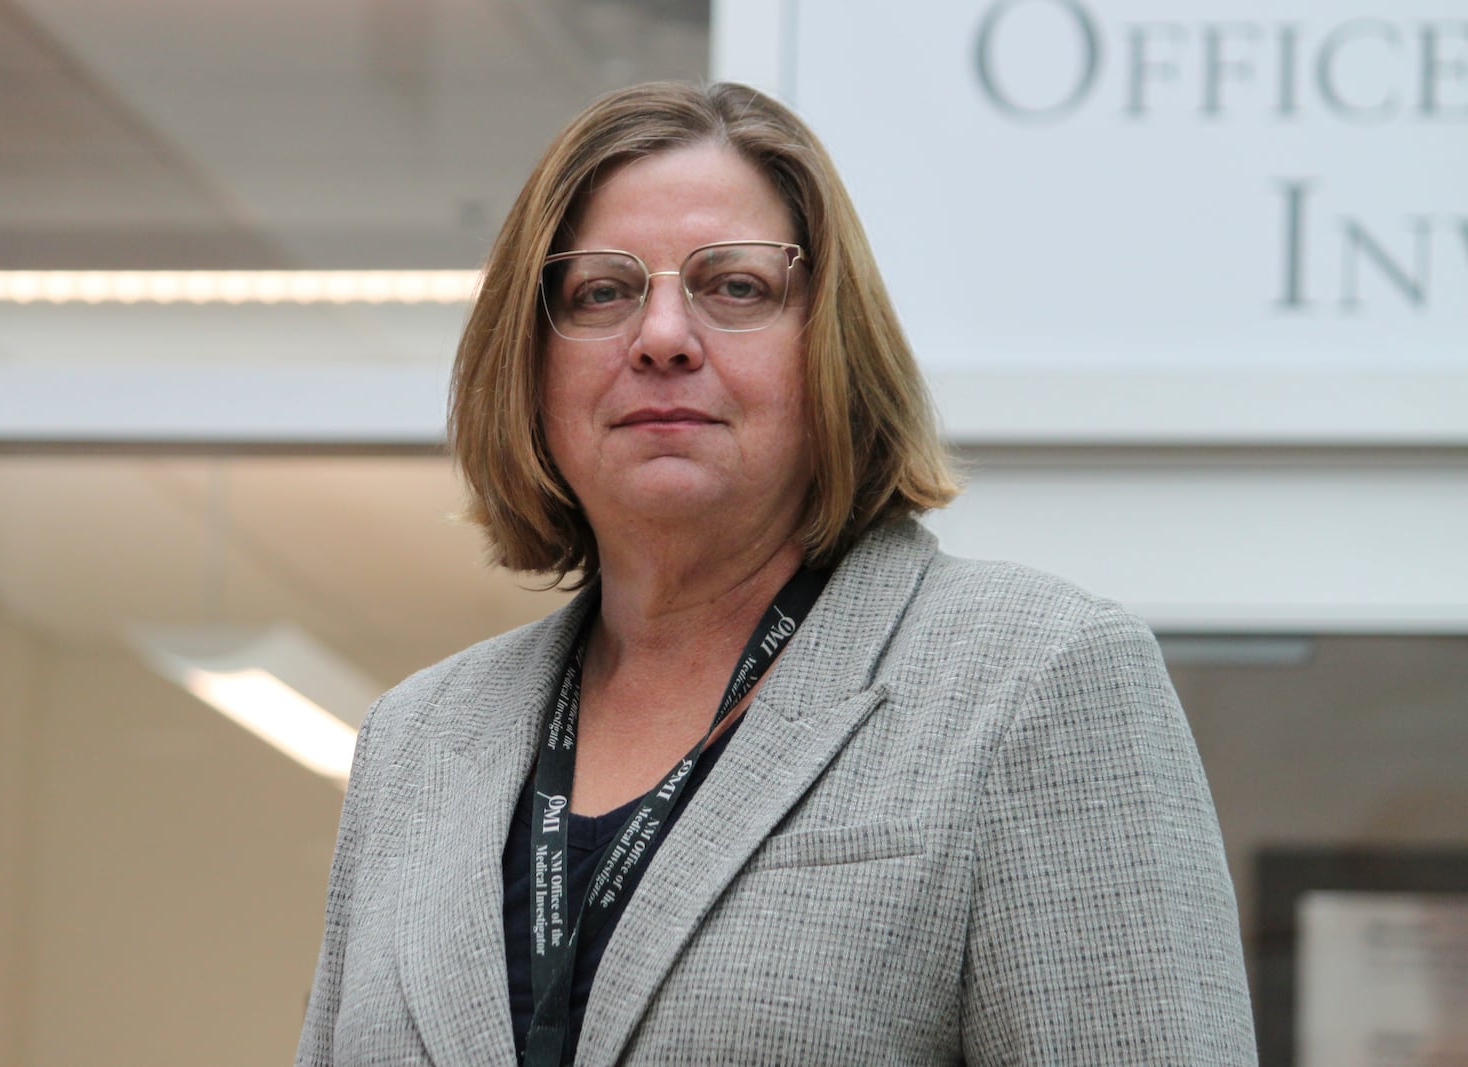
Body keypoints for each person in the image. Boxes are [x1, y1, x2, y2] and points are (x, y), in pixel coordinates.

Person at [295, 81, 1257, 1066]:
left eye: (735, 287)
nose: (662, 335)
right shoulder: (418, 739)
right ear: (530, 362)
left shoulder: (1033, 678)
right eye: (601, 291)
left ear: (829, 346)